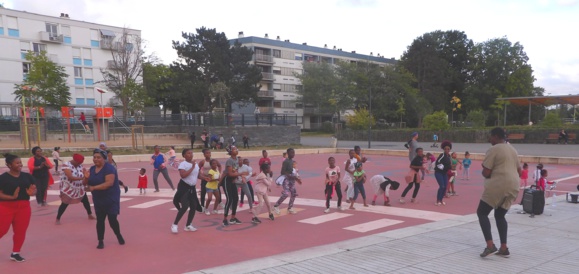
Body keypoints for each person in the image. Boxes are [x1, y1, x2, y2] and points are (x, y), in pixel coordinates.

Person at [478, 127, 521, 258]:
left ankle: (490, 245)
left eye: (491, 137)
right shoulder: (512, 149)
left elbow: (486, 172)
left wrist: (484, 172)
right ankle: (504, 247)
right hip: (514, 185)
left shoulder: (493, 149)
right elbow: (519, 170)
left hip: (499, 184)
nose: (490, 139)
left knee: (482, 212)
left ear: (496, 137)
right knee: (500, 215)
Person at [83, 149, 124, 249]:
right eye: (94, 157)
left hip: (111, 198)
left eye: (98, 157)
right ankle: (100, 241)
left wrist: (93, 188)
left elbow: (108, 184)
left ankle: (118, 235)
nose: (96, 159)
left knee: (112, 219)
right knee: (100, 220)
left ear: (104, 158)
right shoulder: (92, 169)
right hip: (98, 199)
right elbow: (85, 184)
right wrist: (86, 178)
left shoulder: (109, 168)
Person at [0, 153, 37, 262]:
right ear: (9, 165)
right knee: (2, 230)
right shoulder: (3, 178)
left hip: (24, 207)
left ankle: (15, 253)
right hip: (6, 207)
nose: (20, 164)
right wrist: (11, 197)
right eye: (17, 163)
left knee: (20, 231)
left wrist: (32, 193)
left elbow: (34, 189)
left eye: (20, 162)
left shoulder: (27, 176)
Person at [56, 154, 95, 224]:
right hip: (68, 188)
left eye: (80, 163)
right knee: (65, 203)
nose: (79, 164)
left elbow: (84, 177)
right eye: (78, 163)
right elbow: (70, 177)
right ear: (74, 160)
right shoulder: (66, 165)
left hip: (79, 188)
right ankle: (58, 218)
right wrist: (82, 178)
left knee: (86, 201)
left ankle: (90, 214)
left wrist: (86, 177)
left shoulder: (80, 166)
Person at [171, 149, 201, 234]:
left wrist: (205, 177)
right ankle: (174, 224)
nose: (190, 154)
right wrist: (192, 167)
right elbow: (183, 175)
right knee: (184, 206)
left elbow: (198, 175)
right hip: (184, 187)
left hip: (192, 188)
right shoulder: (183, 164)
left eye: (191, 153)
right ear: (184, 155)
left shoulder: (196, 164)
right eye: (188, 153)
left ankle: (188, 225)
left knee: (194, 206)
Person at [273, 148, 302, 215]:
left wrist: (297, 178)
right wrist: (290, 176)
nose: (293, 154)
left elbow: (293, 171)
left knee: (293, 193)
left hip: (292, 180)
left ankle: (290, 208)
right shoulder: (286, 161)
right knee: (286, 194)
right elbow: (282, 172)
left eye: (294, 152)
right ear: (288, 154)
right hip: (286, 179)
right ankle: (276, 206)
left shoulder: (292, 161)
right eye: (292, 153)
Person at [222, 146, 244, 226]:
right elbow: (230, 173)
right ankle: (224, 219)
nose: (237, 150)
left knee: (236, 198)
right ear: (231, 152)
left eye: (237, 149)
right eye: (235, 149)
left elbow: (235, 170)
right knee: (229, 199)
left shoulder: (237, 160)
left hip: (232, 181)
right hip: (227, 180)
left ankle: (233, 217)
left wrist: (236, 176)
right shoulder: (229, 161)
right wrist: (239, 174)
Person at [434, 140, 452, 206]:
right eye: (445, 149)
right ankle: (437, 200)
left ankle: (441, 200)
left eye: (448, 149)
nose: (447, 150)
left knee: (445, 187)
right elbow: (437, 163)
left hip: (445, 173)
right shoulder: (442, 155)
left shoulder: (449, 156)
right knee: (442, 186)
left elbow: (449, 165)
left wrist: (450, 169)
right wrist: (444, 168)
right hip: (438, 173)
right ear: (443, 149)